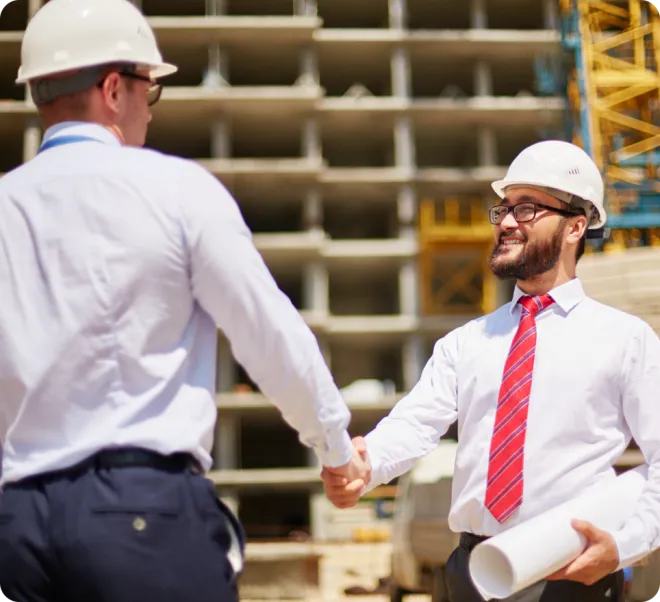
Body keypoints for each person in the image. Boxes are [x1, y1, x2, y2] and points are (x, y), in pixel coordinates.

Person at [0, 1, 369, 601]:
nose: (150, 107)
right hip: (140, 516)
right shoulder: (175, 189)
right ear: (114, 88)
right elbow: (268, 334)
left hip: (15, 530)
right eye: (151, 89)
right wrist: (334, 447)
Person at [322, 139, 660, 602]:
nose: (505, 222)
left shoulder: (626, 340)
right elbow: (415, 424)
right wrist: (366, 464)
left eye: (525, 209)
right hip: (472, 574)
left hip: (570, 576)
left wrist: (624, 546)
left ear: (575, 226)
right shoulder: (466, 342)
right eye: (502, 209)